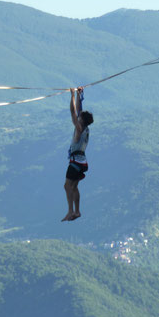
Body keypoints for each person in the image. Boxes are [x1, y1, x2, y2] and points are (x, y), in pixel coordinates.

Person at [62, 87, 94, 222]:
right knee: (74, 186)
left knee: (67, 186)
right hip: (82, 163)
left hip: (75, 162)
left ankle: (70, 211)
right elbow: (79, 112)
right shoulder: (86, 128)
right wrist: (79, 93)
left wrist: (72, 96)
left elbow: (73, 112)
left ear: (81, 120)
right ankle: (77, 211)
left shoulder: (79, 128)